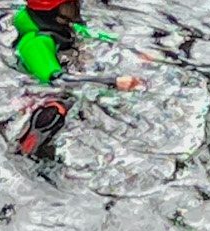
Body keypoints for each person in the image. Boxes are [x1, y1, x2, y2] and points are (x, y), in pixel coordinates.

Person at [9, 0, 140, 158]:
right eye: (70, 6)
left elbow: (100, 37)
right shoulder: (35, 44)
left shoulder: (62, 28)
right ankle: (26, 151)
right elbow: (59, 80)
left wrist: (138, 51)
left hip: (65, 84)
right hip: (36, 96)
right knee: (55, 110)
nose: (77, 9)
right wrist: (112, 82)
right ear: (50, 10)